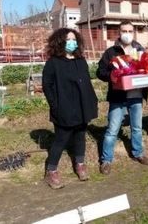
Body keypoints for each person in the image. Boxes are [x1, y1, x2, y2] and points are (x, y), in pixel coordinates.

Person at [42, 28, 98, 189]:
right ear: (60, 42)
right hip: (63, 108)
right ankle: (51, 171)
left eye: (74, 39)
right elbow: (47, 86)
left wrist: (91, 101)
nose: (72, 42)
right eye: (68, 40)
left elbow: (87, 83)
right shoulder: (53, 62)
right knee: (61, 139)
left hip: (82, 106)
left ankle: (80, 164)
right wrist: (55, 105)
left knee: (80, 136)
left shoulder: (80, 60)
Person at [97, 20, 148, 175]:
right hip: (117, 97)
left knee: (137, 128)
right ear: (119, 33)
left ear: (133, 32)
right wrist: (112, 75)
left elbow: (147, 69)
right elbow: (100, 72)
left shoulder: (139, 49)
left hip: (137, 96)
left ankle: (138, 153)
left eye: (130, 31)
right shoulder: (111, 52)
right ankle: (106, 160)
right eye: (124, 31)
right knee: (113, 129)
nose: (127, 34)